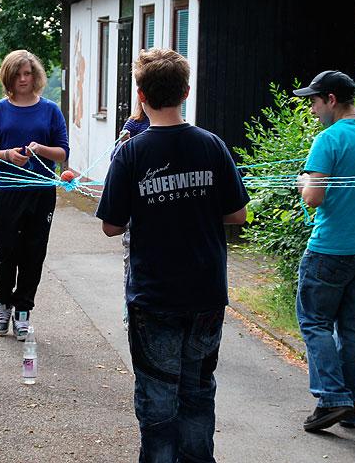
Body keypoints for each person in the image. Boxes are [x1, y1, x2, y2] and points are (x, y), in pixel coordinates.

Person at [96, 48, 249, 462]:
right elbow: (237, 213)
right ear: (185, 92)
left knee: (157, 397)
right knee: (197, 391)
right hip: (205, 292)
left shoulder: (131, 153)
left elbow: (111, 225)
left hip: (155, 294)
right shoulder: (212, 145)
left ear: (141, 96)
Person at [292, 70, 355, 432]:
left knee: (314, 321)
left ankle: (332, 397)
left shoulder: (328, 139)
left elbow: (314, 198)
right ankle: (350, 406)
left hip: (330, 249)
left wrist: (304, 183)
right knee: (352, 328)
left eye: (314, 102)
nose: (312, 110)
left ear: (331, 100)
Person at [0, 50, 68, 340]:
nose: (23, 79)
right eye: (17, 74)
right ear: (8, 76)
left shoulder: (50, 110)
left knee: (34, 253)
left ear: (35, 76)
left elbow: (62, 152)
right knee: (7, 252)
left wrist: (40, 149)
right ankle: (2, 304)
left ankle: (23, 312)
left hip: (41, 192)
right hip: (8, 192)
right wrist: (7, 154)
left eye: (27, 73)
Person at [114, 101, 150, 330]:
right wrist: (123, 143)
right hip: (136, 206)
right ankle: (131, 311)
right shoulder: (134, 123)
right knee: (132, 263)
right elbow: (114, 158)